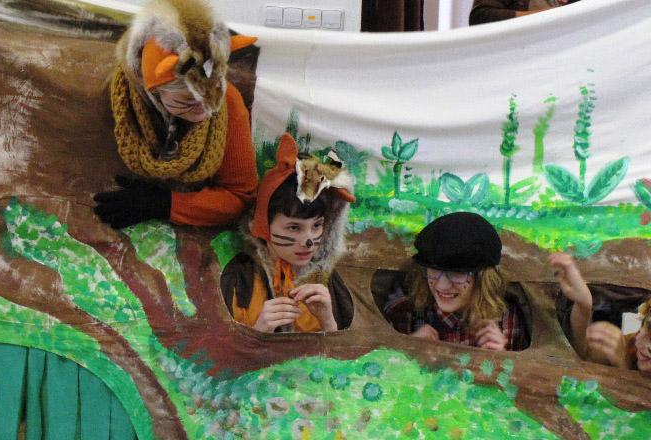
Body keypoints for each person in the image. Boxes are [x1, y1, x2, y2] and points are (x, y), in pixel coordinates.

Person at [93, 0, 259, 228]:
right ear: (153, 92)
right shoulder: (117, 98)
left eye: (215, 94)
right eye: (188, 102)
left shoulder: (228, 102)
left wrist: (166, 204)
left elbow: (240, 196)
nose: (207, 111)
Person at [220, 133, 355, 333]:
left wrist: (329, 323)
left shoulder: (329, 283)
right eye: (294, 227)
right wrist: (257, 333)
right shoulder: (240, 281)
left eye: (316, 225)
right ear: (263, 226)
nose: (309, 241)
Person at [380, 212, 529, 351]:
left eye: (457, 273)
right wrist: (407, 350)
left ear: (483, 278)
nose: (442, 285)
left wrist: (501, 358)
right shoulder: (405, 312)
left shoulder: (506, 321)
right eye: (434, 270)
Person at [550, 252, 650, 375]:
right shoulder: (629, 347)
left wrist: (622, 366)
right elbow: (583, 353)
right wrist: (583, 305)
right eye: (649, 326)